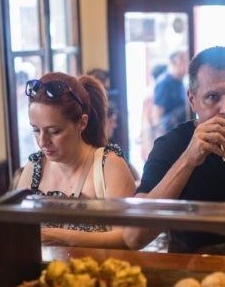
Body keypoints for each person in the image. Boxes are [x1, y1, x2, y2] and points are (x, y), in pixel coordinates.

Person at [123, 46, 225, 256]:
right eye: (212, 97)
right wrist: (189, 159)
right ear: (192, 100)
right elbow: (134, 236)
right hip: (194, 279)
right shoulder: (171, 145)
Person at [15, 72, 137, 248]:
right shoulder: (33, 168)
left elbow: (128, 238)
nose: (43, 141)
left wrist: (62, 237)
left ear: (82, 123)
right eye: (36, 130)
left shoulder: (108, 165)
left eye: (54, 131)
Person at [153, 49, 189, 133]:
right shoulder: (164, 83)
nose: (188, 64)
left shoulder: (181, 82)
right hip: (170, 135)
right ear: (174, 62)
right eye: (183, 60)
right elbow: (157, 115)